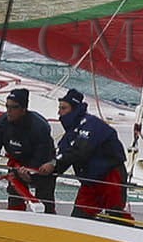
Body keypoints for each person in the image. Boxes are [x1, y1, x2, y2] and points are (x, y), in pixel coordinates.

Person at [37, 88, 131, 221]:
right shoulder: (69, 136)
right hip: (89, 183)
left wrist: (54, 164)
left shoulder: (92, 124)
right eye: (59, 108)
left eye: (63, 108)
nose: (59, 112)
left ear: (74, 109)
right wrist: (38, 172)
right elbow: (62, 158)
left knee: (116, 216)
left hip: (110, 177)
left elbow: (80, 150)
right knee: (79, 217)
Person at [0, 88, 57, 212]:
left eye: (14, 107)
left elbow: (44, 152)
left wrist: (30, 173)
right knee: (14, 197)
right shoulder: (1, 123)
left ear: (23, 109)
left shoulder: (40, 126)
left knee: (45, 200)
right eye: (7, 107)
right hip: (17, 163)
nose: (9, 111)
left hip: (41, 165)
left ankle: (47, 222)